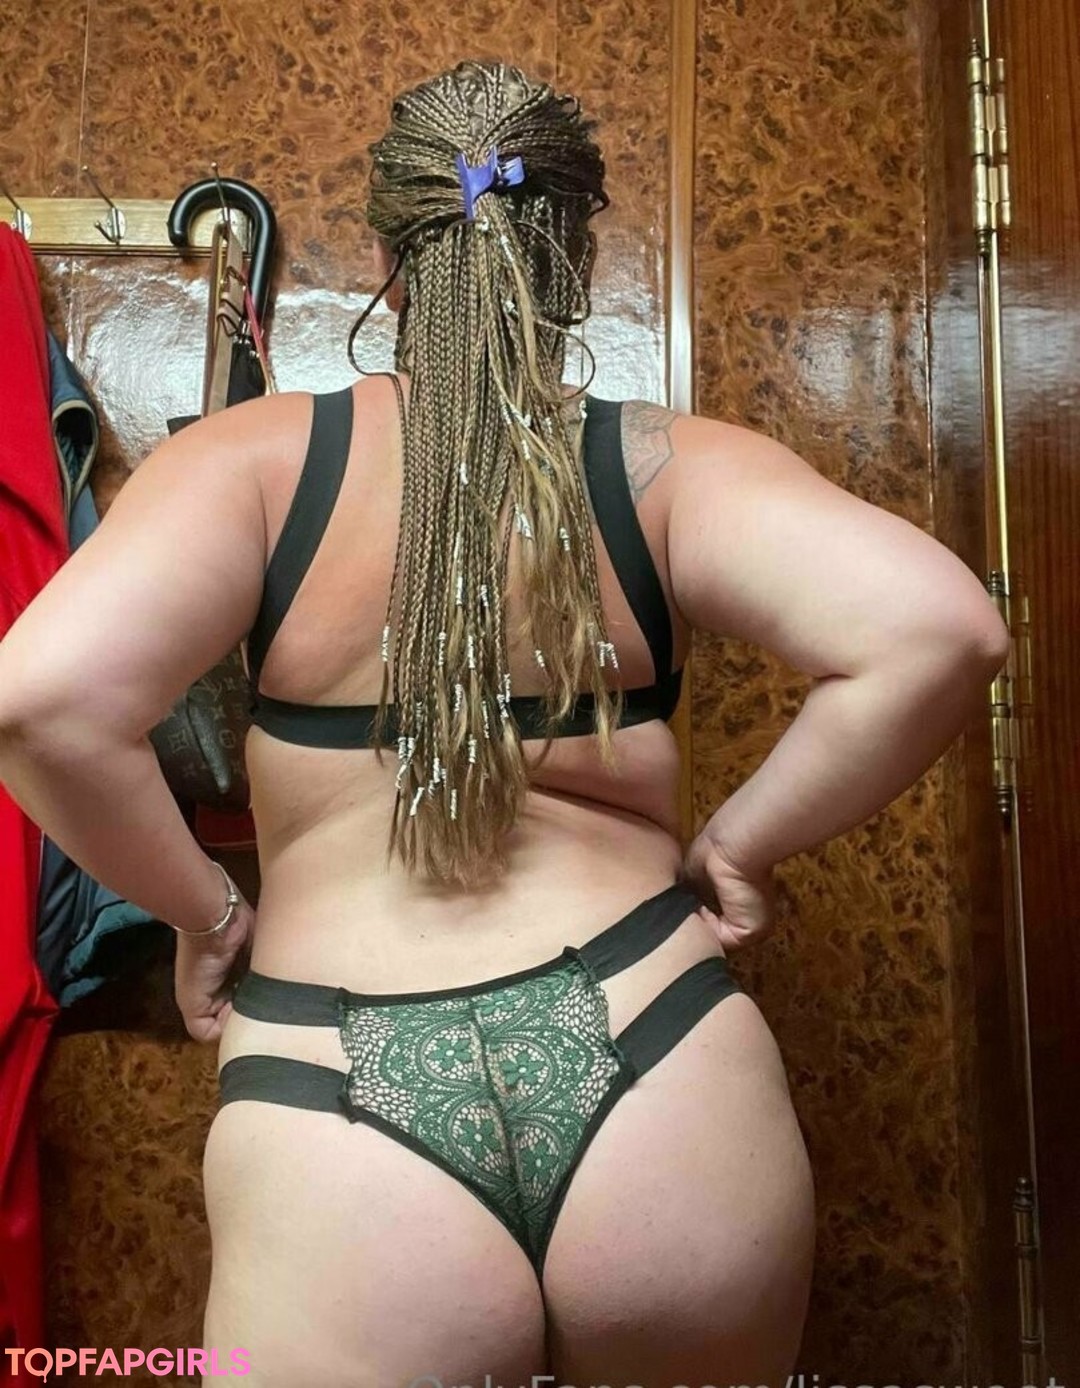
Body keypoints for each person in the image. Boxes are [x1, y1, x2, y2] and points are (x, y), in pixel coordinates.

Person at [0, 59, 1009, 1388]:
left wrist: (206, 915)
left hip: (334, 1088)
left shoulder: (254, 467)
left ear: (390, 255)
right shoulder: (663, 468)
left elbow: (43, 705)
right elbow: (942, 631)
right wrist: (738, 848)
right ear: (576, 253)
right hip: (655, 1047)